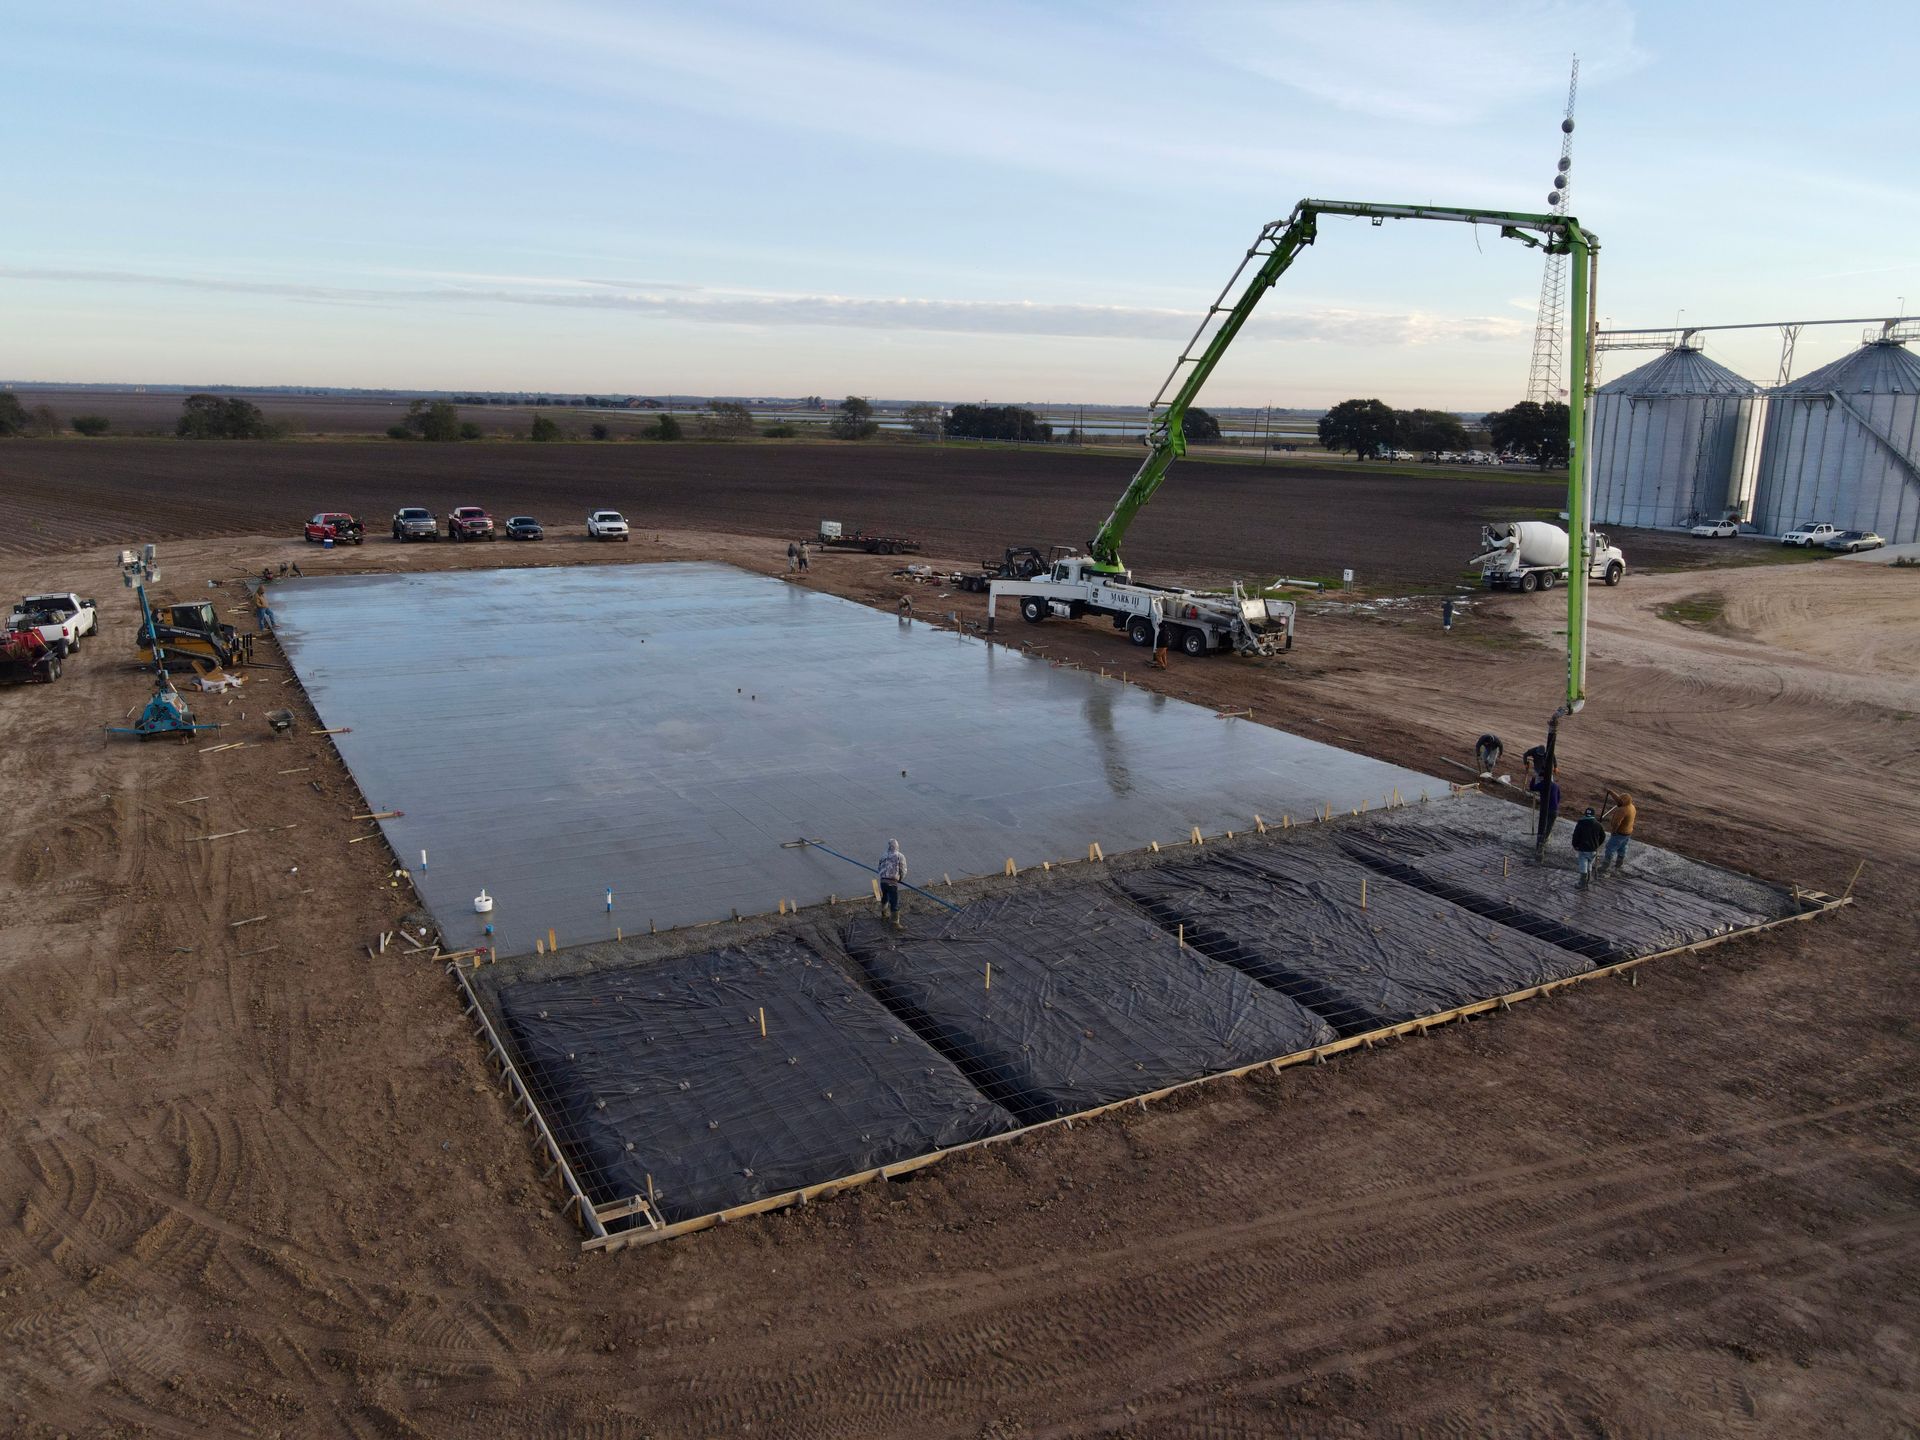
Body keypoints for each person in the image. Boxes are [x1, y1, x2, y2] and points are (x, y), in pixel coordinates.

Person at [1528, 766, 1560, 860]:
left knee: (1543, 827)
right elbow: (1558, 798)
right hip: (1554, 810)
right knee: (1549, 827)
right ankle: (1544, 843)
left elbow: (1532, 788)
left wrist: (1533, 778)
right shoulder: (1555, 786)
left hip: (1546, 810)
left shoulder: (1543, 784)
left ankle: (1540, 846)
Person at [1601, 788, 1637, 874]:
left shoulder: (1622, 810)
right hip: (1628, 833)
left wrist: (1614, 831)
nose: (1618, 801)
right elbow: (1619, 800)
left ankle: (1605, 866)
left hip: (1620, 833)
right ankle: (1619, 863)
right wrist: (1611, 792)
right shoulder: (1631, 806)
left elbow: (1616, 823)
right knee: (1622, 848)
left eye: (1620, 800)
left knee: (1610, 848)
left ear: (1623, 802)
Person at [1571, 806, 1607, 887]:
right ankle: (1588, 880)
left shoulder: (1581, 823)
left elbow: (1576, 835)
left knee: (1583, 864)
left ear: (1585, 814)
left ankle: (1582, 883)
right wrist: (1597, 844)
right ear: (1593, 815)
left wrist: (1575, 845)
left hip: (1583, 849)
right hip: (1593, 850)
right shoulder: (1598, 824)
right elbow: (1603, 836)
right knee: (1589, 864)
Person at [876, 839, 906, 926]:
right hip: (892, 883)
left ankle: (883, 914)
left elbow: (879, 867)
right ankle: (895, 922)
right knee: (894, 902)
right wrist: (900, 879)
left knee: (885, 897)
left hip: (883, 882)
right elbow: (903, 870)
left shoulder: (883, 855)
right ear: (897, 847)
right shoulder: (900, 856)